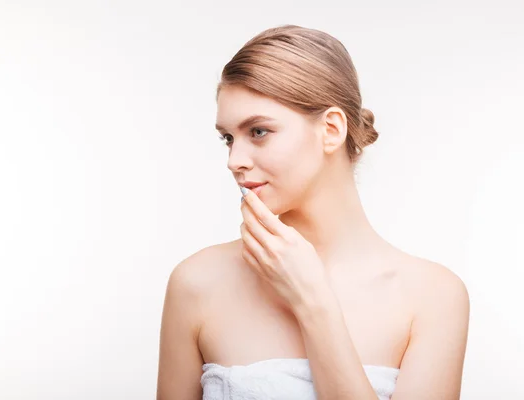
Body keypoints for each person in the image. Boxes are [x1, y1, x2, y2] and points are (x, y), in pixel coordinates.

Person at [156, 24, 470, 400]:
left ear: (332, 129)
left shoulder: (432, 297)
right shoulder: (196, 284)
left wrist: (313, 302)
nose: (234, 161)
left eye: (257, 131)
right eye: (228, 138)